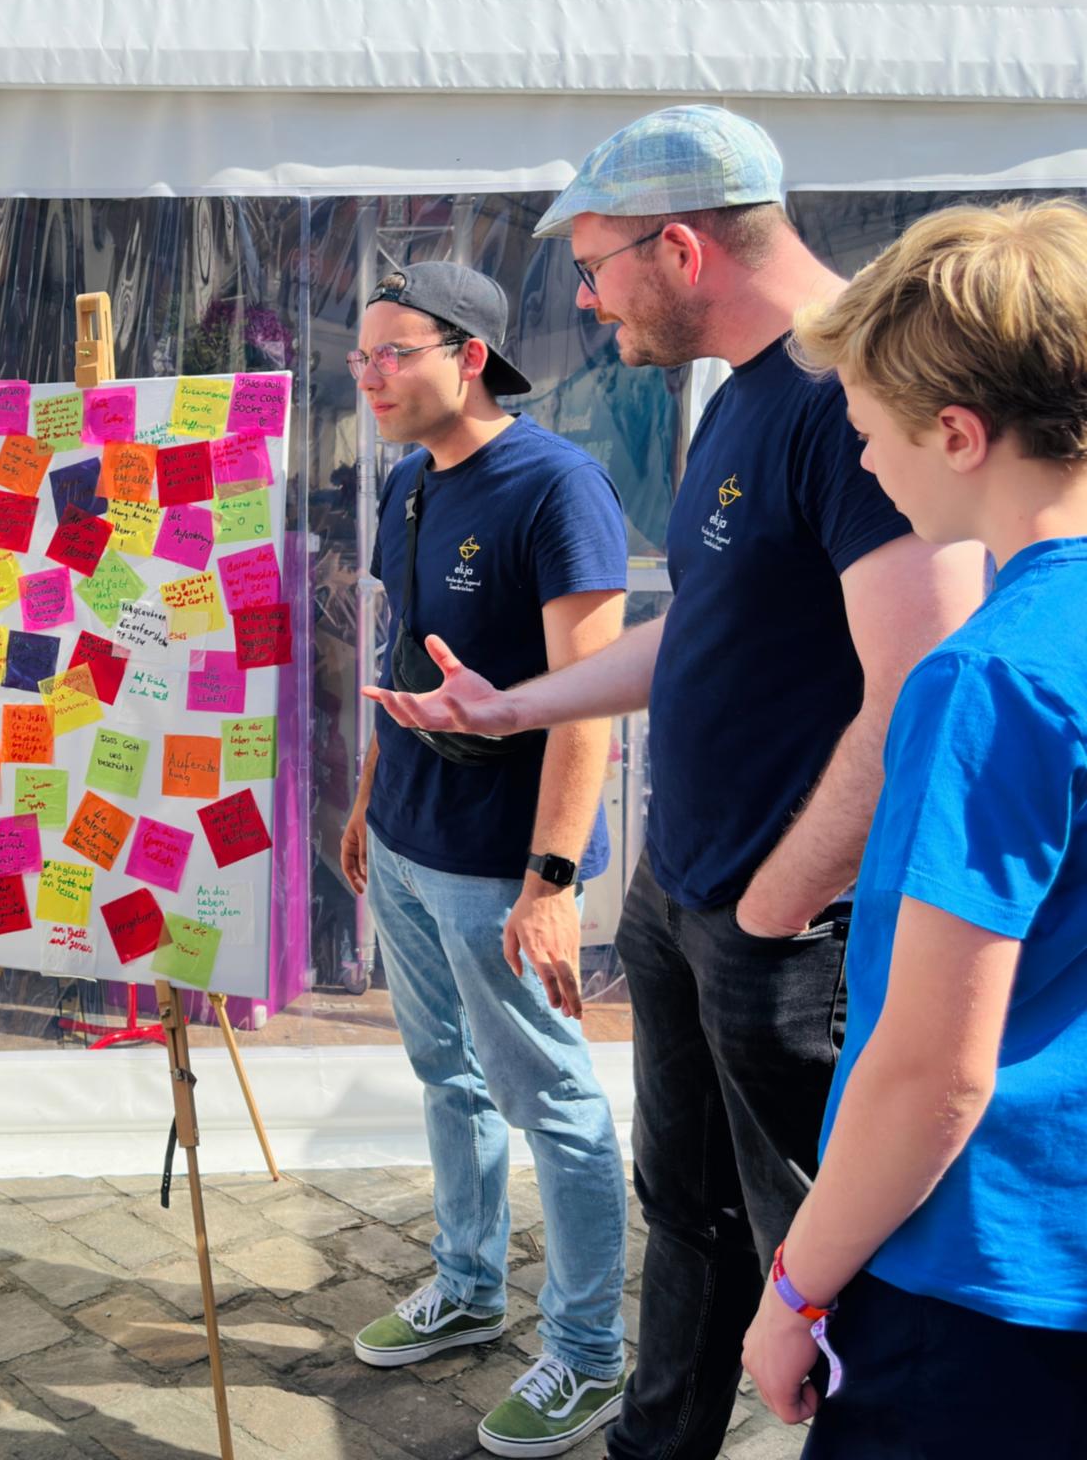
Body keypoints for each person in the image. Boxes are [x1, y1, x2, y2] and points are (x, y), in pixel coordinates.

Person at [361, 107, 986, 1460]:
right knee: (686, 1215)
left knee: (824, 1265)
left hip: (785, 932)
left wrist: (775, 906)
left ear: (685, 250)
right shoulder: (741, 395)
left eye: (596, 268)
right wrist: (517, 701)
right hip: (687, 896)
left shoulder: (847, 399)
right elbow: (701, 630)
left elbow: (921, 694)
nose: (583, 302)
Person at [740, 200, 1087, 1453]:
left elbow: (933, 1068)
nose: (865, 466)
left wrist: (793, 1289)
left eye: (868, 434)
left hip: (981, 1277)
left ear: (955, 432)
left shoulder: (988, 675)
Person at [341, 263, 631, 1458]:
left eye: (391, 352)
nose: (367, 376)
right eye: (358, 357)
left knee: (549, 1095)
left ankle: (586, 1353)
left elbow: (587, 705)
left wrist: (551, 883)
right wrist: (365, 802)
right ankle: (467, 1285)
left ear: (468, 356)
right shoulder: (407, 483)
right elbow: (398, 656)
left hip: (500, 862)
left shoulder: (554, 488)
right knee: (445, 1075)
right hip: (409, 840)